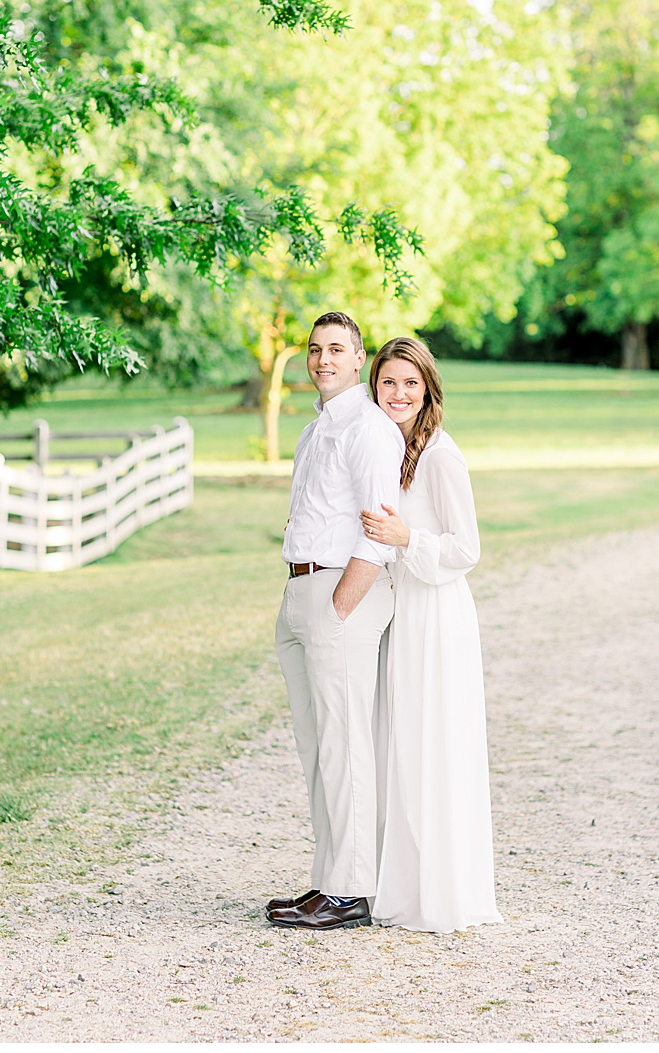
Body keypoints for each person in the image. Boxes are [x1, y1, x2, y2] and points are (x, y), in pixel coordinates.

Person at [357, 336, 501, 932]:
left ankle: (439, 892)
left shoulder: (441, 455)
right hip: (397, 610)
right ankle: (394, 883)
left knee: (432, 743)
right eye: (388, 382)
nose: (398, 393)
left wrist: (406, 541)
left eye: (410, 383)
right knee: (396, 744)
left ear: (427, 389)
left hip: (437, 614)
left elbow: (467, 548)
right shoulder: (385, 449)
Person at [267, 311, 405, 930]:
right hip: (301, 589)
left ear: (359, 359)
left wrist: (340, 605)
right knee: (317, 744)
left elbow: (377, 533)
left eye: (337, 349)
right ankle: (328, 879)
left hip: (337, 595)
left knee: (345, 743)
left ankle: (351, 891)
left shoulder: (370, 431)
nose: (323, 359)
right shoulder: (315, 429)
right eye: (316, 348)